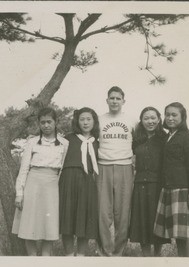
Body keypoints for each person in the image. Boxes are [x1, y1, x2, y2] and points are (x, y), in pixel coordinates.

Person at [12, 107, 69, 256]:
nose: (46, 125)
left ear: (55, 122)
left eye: (49, 122)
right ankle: (32, 259)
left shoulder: (64, 143)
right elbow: (24, 169)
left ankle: (45, 259)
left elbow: (63, 169)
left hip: (52, 186)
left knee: (48, 225)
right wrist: (19, 193)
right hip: (33, 183)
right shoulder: (32, 142)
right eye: (42, 122)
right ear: (39, 123)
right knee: (29, 223)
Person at [154, 102, 189, 257]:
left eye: (174, 115)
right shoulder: (167, 137)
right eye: (167, 114)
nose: (170, 118)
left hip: (183, 190)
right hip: (168, 189)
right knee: (178, 234)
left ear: (183, 117)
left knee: (187, 233)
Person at [96, 86, 135, 256]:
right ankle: (105, 252)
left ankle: (118, 253)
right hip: (103, 166)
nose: (114, 101)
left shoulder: (132, 121)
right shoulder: (98, 120)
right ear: (107, 100)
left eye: (118, 98)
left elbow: (138, 144)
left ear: (123, 101)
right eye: (111, 98)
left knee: (123, 214)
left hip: (124, 167)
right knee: (103, 214)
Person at [59, 107, 100, 256]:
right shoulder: (68, 138)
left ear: (94, 121)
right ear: (77, 121)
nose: (85, 122)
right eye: (82, 119)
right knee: (68, 216)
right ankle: (69, 254)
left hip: (87, 181)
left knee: (84, 216)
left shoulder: (97, 141)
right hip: (69, 179)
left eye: (89, 119)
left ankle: (81, 255)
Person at [129, 107, 169, 256]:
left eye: (153, 118)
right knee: (142, 221)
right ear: (141, 120)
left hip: (158, 185)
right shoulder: (136, 140)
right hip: (139, 185)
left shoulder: (164, 139)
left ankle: (157, 256)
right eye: (146, 118)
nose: (150, 121)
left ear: (159, 119)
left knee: (156, 221)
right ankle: (146, 257)